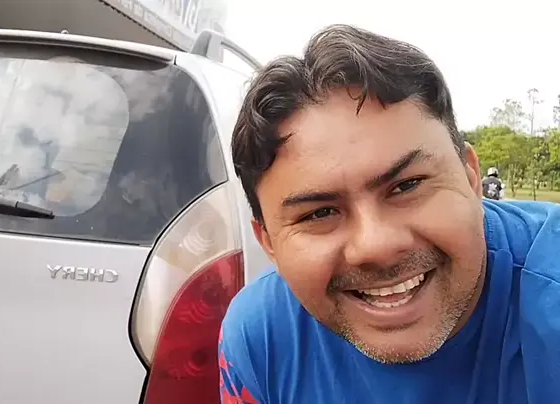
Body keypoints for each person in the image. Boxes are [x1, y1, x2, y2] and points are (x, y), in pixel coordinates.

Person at [219, 24, 560, 404]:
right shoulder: (261, 338)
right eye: (320, 213)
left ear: (471, 177)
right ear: (269, 243)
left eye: (407, 186)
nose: (376, 246)